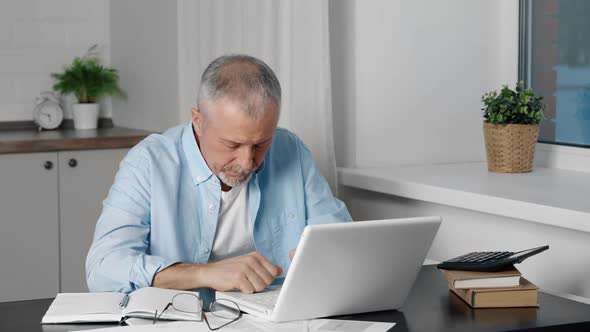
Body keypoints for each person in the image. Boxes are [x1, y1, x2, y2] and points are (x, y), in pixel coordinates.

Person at [86, 54, 352, 297]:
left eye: (261, 144)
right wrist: (205, 274)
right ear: (198, 121)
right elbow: (103, 269)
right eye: (232, 145)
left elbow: (341, 243)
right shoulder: (149, 162)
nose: (247, 162)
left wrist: (327, 261)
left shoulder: (291, 150)